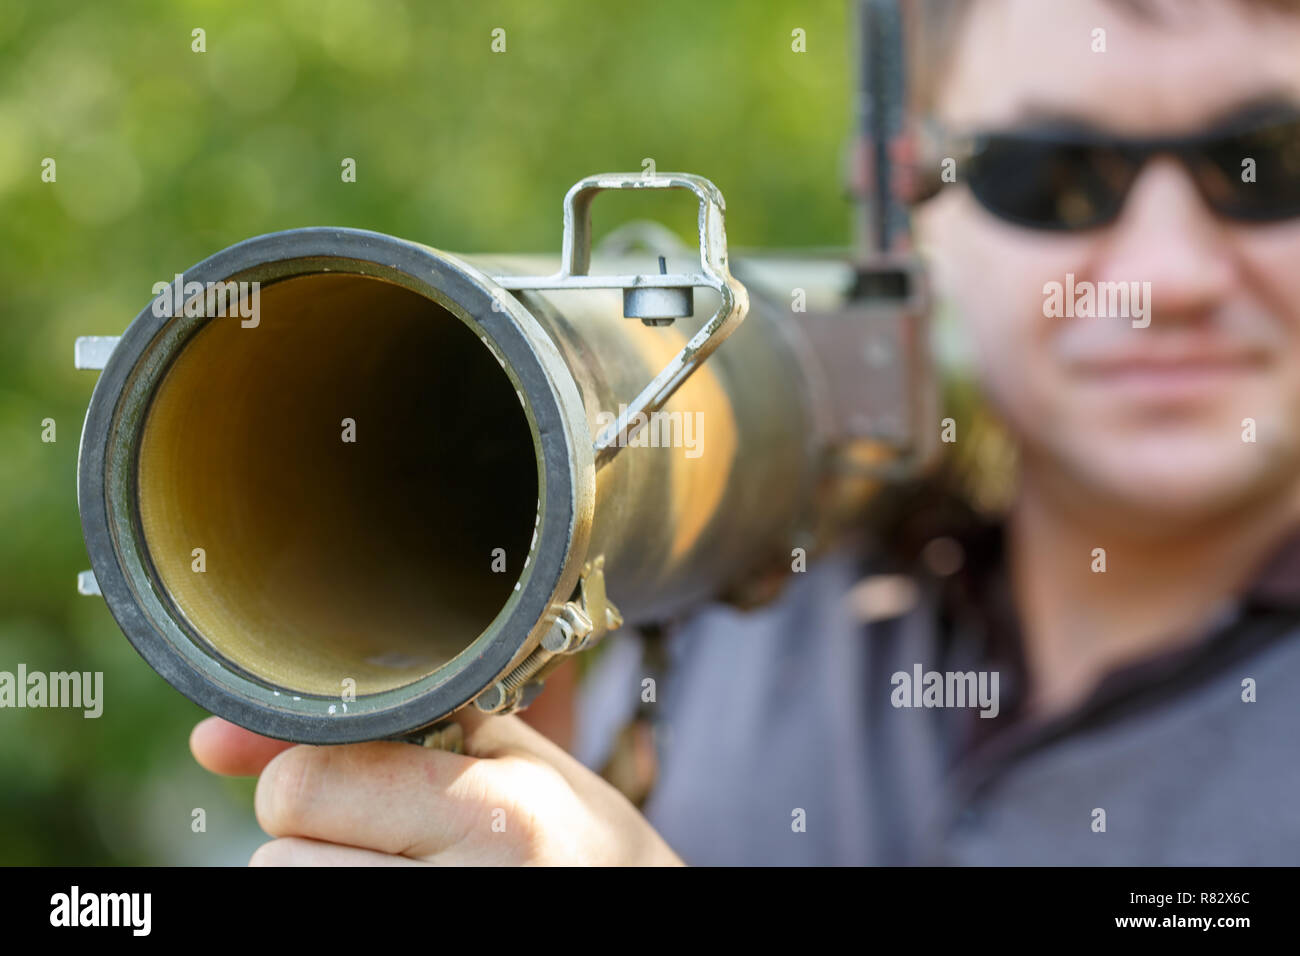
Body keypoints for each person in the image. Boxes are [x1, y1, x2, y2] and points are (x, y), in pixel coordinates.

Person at [190, 0, 1300, 865]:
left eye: (1268, 163)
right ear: (905, 199)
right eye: (1050, 176)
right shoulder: (748, 563)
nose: (1168, 276)